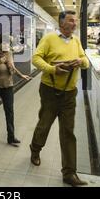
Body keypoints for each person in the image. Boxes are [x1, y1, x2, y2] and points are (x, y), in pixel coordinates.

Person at [29, 10, 89, 187]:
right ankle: (35, 148)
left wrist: (80, 62)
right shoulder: (49, 39)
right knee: (44, 124)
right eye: (71, 21)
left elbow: (85, 60)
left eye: (75, 21)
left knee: (68, 132)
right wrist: (53, 69)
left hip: (70, 93)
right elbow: (36, 58)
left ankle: (69, 173)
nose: (74, 24)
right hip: (50, 91)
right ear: (61, 23)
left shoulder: (76, 40)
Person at [0, 35, 31, 146]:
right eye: (4, 43)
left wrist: (20, 75)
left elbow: (12, 69)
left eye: (8, 43)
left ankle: (11, 137)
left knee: (9, 111)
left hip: (8, 86)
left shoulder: (9, 53)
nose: (6, 45)